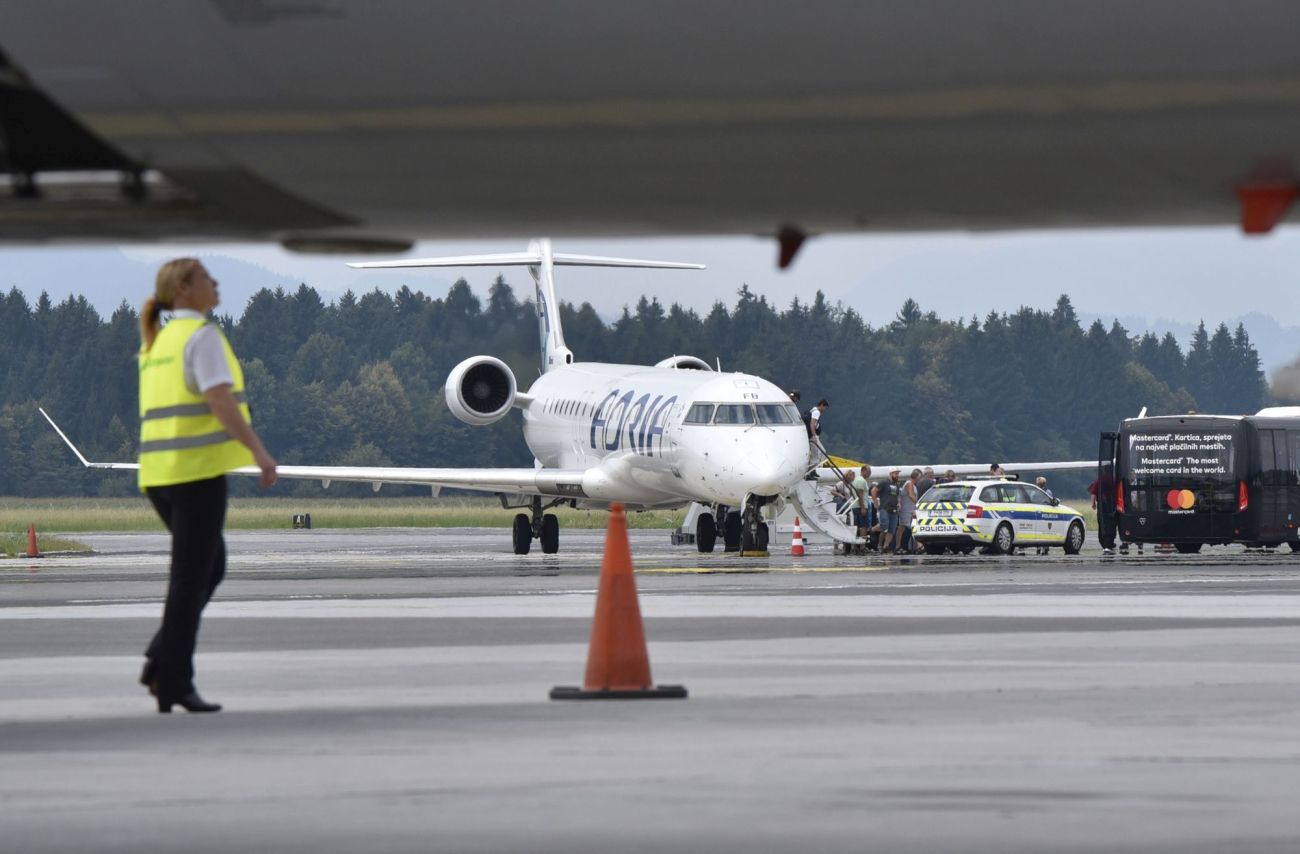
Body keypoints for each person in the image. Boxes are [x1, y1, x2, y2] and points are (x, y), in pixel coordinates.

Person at [136, 258, 278, 714]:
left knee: (208, 569)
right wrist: (259, 451)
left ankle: (162, 660)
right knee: (190, 578)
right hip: (196, 475)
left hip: (159, 475)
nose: (215, 284)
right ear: (184, 288)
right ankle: (173, 681)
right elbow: (220, 401)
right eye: (206, 278)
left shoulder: (158, 340)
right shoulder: (201, 337)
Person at [1089, 463, 1118, 555]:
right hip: (1112, 504)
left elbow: (1093, 493)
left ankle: (1104, 543)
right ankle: (1110, 543)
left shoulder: (1099, 480)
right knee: (1112, 524)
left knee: (1102, 523)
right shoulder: (1114, 480)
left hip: (1102, 506)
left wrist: (1093, 504)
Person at [875, 468, 902, 553]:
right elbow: (873, 490)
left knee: (892, 530)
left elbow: (897, 496)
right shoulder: (884, 482)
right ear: (891, 474)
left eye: (898, 473)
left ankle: (885, 546)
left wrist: (899, 502)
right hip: (884, 508)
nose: (897, 475)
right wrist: (875, 502)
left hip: (894, 509)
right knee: (885, 527)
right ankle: (879, 544)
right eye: (896, 473)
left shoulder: (897, 485)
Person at [897, 468, 921, 554]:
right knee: (903, 527)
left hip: (910, 509)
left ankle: (906, 546)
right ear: (916, 477)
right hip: (906, 510)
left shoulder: (913, 485)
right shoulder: (909, 484)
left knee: (906, 528)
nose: (920, 480)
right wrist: (919, 504)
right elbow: (911, 495)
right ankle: (898, 546)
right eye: (919, 477)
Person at [852, 464, 875, 554]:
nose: (869, 474)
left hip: (855, 505)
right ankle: (862, 546)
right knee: (864, 527)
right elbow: (860, 494)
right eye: (869, 472)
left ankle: (855, 546)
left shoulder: (856, 480)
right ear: (864, 470)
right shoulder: (861, 481)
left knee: (857, 527)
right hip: (861, 506)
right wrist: (863, 507)